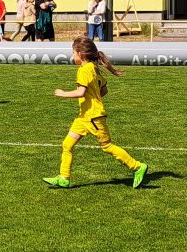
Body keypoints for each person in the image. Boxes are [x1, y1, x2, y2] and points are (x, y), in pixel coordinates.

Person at [43, 36, 148, 188]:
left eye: (73, 53)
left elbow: (80, 92)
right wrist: (94, 97)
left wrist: (62, 93)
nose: (72, 56)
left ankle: (137, 167)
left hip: (93, 117)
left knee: (107, 146)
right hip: (84, 117)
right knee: (67, 144)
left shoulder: (84, 70)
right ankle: (64, 178)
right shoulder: (94, 68)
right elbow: (104, 90)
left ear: (81, 54)